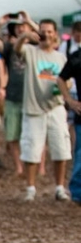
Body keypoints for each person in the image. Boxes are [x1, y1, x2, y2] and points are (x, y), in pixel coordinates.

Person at [17, 19, 71, 202]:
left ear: (55, 34)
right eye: (43, 31)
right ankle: (31, 188)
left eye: (49, 31)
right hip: (34, 109)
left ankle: (59, 187)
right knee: (31, 151)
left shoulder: (61, 58)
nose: (46, 34)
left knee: (61, 149)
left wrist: (64, 88)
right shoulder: (31, 52)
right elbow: (17, 49)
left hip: (56, 108)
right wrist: (25, 35)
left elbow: (68, 81)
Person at [0, 12, 39, 179]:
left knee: (35, 134)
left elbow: (47, 37)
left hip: (33, 97)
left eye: (23, 27)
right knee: (12, 134)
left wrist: (29, 21)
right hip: (12, 96)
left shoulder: (36, 48)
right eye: (18, 27)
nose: (21, 29)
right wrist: (0, 24)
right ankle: (19, 167)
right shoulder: (9, 47)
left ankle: (37, 166)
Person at [59, 36, 81, 203]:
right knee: (80, 154)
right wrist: (69, 100)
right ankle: (77, 192)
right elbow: (61, 79)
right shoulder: (76, 57)